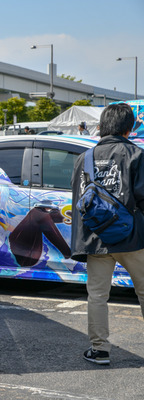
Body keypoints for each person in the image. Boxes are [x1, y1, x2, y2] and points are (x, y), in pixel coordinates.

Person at [70, 102, 144, 365]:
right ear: (129, 128)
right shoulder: (136, 155)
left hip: (96, 238)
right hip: (131, 238)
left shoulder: (84, 158)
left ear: (102, 126)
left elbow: (80, 201)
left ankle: (99, 350)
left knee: (98, 295)